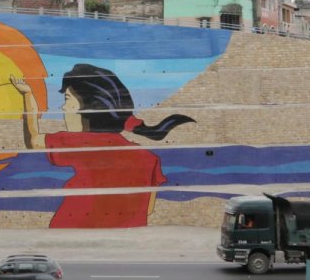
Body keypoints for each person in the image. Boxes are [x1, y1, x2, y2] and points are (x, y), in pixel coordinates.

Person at [11, 63, 195, 228]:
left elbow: (33, 139)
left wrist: (27, 94)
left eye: (67, 100)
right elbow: (147, 210)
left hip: (71, 235)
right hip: (125, 242)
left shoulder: (81, 144)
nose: (63, 109)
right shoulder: (149, 158)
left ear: (87, 108)